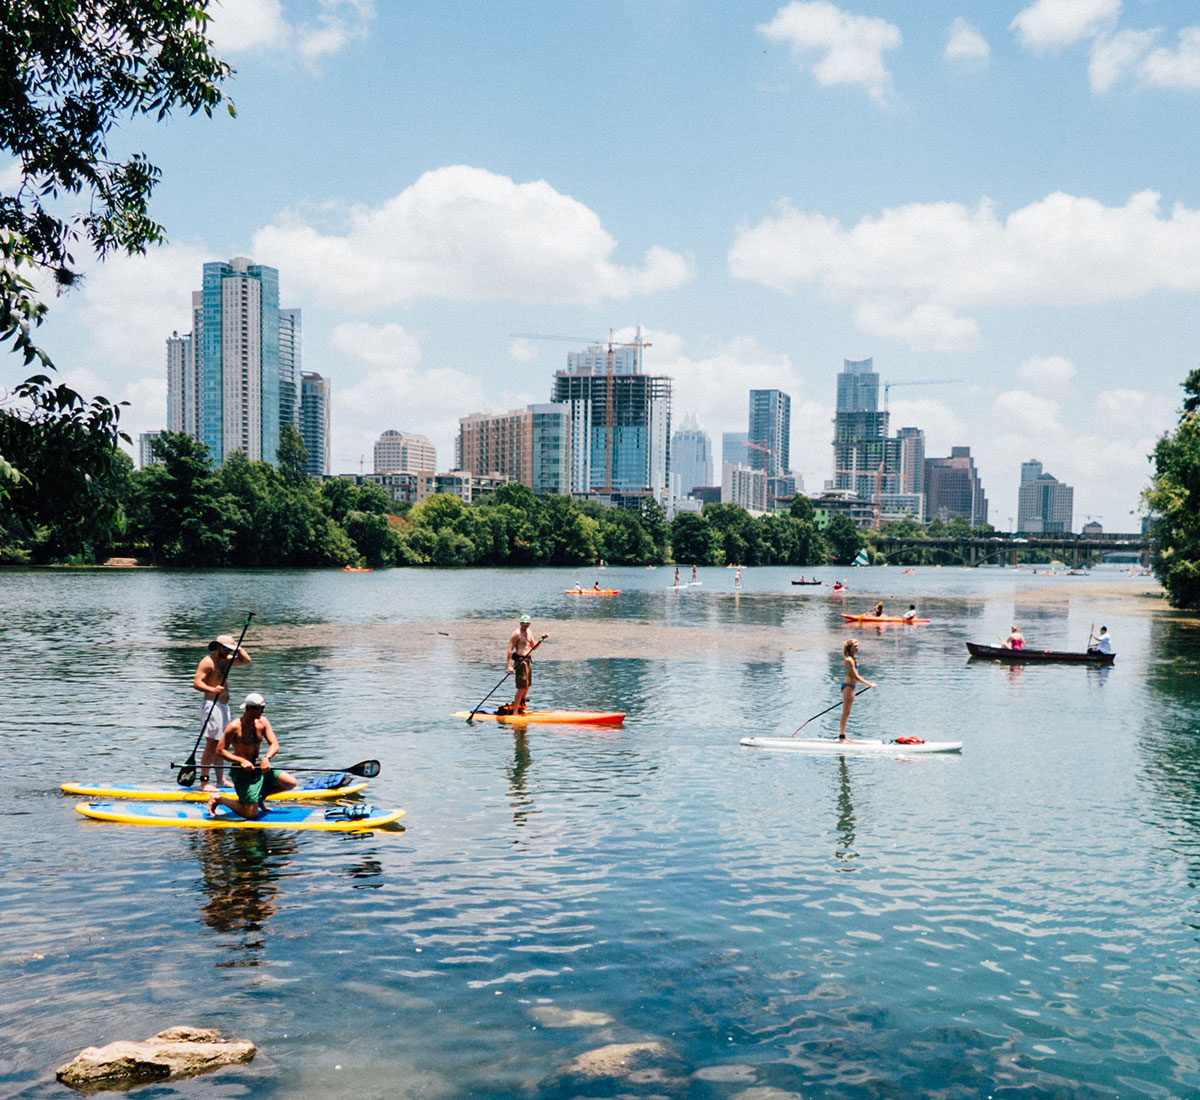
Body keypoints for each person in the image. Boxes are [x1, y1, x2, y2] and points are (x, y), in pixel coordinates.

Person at [207, 693, 297, 820]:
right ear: (249, 709)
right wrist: (241, 760)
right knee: (251, 814)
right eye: (260, 709)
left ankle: (258, 799)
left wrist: (266, 758)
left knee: (290, 783)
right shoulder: (234, 727)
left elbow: (274, 744)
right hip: (242, 772)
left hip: (258, 767)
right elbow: (220, 751)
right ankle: (219, 799)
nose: (263, 711)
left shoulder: (263, 722)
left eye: (263, 707)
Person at [193, 632, 251, 792]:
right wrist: (212, 688)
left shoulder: (226, 661)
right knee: (211, 743)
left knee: (222, 743)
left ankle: (221, 780)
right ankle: (204, 782)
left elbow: (246, 660)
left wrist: (238, 648)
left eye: (230, 649)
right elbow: (197, 683)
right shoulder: (208, 662)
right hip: (211, 705)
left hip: (223, 706)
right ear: (217, 647)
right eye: (226, 649)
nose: (228, 652)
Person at [505, 614, 547, 714]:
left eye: (527, 623)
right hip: (520, 661)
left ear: (530, 624)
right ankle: (515, 713)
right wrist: (509, 665)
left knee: (527, 685)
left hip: (528, 660)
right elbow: (510, 649)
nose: (525, 625)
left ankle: (520, 705)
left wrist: (541, 639)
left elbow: (534, 647)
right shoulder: (516, 634)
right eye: (523, 623)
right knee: (521, 686)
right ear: (520, 623)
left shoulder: (529, 632)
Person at [839, 639, 876, 740]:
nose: (857, 648)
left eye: (858, 646)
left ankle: (843, 736)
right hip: (848, 687)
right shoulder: (849, 660)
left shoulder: (852, 659)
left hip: (851, 687)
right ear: (850, 647)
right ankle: (841, 737)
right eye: (855, 646)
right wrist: (869, 684)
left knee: (847, 712)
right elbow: (855, 676)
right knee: (845, 712)